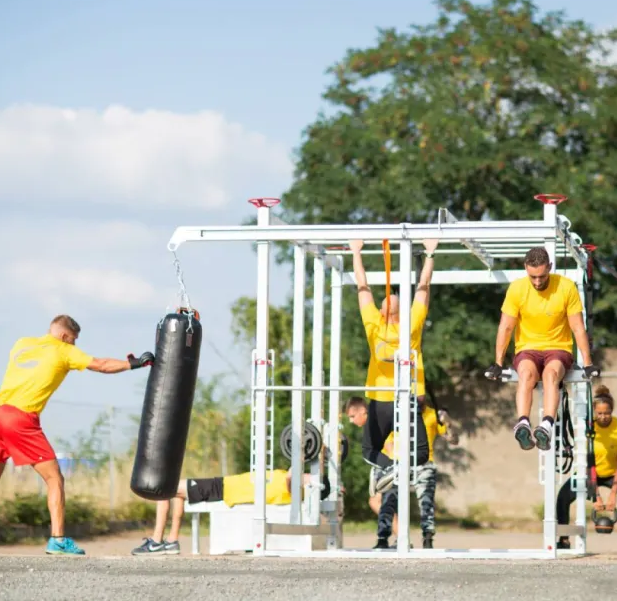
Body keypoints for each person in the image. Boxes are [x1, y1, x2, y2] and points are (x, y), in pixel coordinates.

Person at [0, 314, 155, 556]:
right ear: (64, 336)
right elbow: (101, 365)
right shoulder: (63, 351)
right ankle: (58, 539)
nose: (74, 345)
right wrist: (134, 364)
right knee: (54, 479)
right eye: (73, 340)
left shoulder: (22, 344)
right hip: (21, 420)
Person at [484, 246, 600, 451]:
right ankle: (523, 423)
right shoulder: (517, 289)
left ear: (550, 267)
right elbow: (506, 327)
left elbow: (577, 327)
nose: (537, 281)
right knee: (526, 374)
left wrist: (588, 363)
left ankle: (546, 424)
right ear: (525, 269)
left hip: (558, 348)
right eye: (533, 277)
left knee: (551, 374)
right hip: (527, 348)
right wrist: (498, 363)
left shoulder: (566, 287)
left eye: (542, 276)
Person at [349, 238, 439, 493]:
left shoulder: (374, 325)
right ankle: (395, 469)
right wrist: (430, 253)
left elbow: (362, 286)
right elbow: (423, 286)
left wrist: (356, 252)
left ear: (380, 312)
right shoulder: (411, 325)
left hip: (383, 400)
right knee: (421, 453)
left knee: (369, 450)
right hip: (405, 399)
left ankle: (389, 468)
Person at [130, 462, 331, 555]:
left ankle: (157, 541)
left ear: (311, 486)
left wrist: (304, 466)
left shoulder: (293, 491)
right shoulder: (293, 483)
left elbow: (291, 475)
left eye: (309, 477)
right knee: (174, 492)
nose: (306, 474)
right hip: (223, 484)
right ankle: (172, 541)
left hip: (222, 490)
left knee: (163, 489)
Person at [555, 386, 617, 554]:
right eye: (600, 413)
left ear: (612, 410)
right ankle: (564, 540)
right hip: (590, 472)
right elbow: (588, 463)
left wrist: (613, 494)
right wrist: (594, 495)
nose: (603, 417)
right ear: (594, 412)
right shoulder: (588, 429)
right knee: (562, 497)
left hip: (613, 473)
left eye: (607, 413)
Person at [361, 396, 459, 549]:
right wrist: (389, 462)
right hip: (398, 462)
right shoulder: (398, 410)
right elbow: (388, 440)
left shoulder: (433, 414)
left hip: (423, 463)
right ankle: (382, 539)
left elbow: (453, 440)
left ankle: (427, 539)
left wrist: (448, 422)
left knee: (426, 502)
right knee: (388, 500)